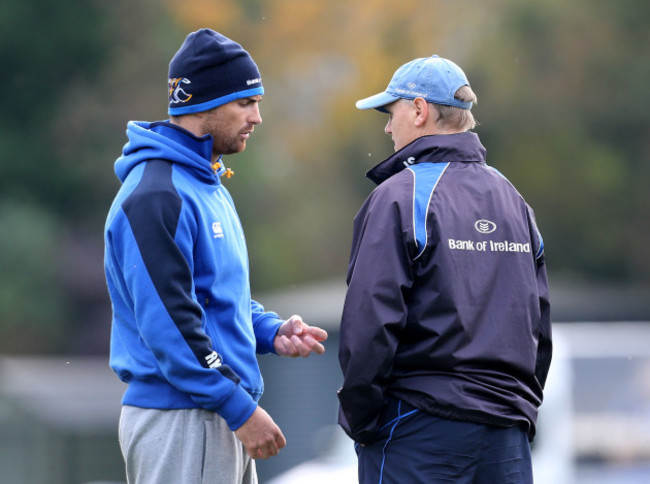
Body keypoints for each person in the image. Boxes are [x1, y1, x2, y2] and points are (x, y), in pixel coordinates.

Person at [104, 29, 328, 484]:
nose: (258, 117)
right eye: (246, 103)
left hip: (209, 410)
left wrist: (269, 330)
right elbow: (170, 322)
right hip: (184, 417)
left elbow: (209, 298)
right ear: (203, 103)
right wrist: (239, 409)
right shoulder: (156, 195)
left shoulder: (205, 185)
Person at [337, 55, 552, 483]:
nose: (386, 128)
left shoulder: (399, 196)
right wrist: (518, 407)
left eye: (390, 112)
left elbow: (369, 324)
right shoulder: (514, 201)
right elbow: (539, 327)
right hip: (506, 438)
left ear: (418, 110)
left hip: (418, 430)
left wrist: (361, 421)